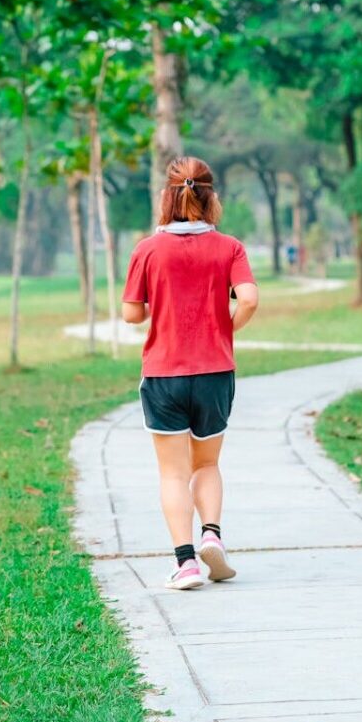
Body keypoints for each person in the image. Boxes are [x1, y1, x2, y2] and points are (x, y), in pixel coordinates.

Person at [121, 156, 259, 590]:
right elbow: (250, 298)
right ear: (210, 196)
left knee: (172, 473)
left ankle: (185, 564)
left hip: (164, 375)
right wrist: (226, 326)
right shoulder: (229, 247)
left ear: (168, 196)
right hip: (215, 373)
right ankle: (212, 536)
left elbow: (131, 315)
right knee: (208, 464)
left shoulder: (147, 249)